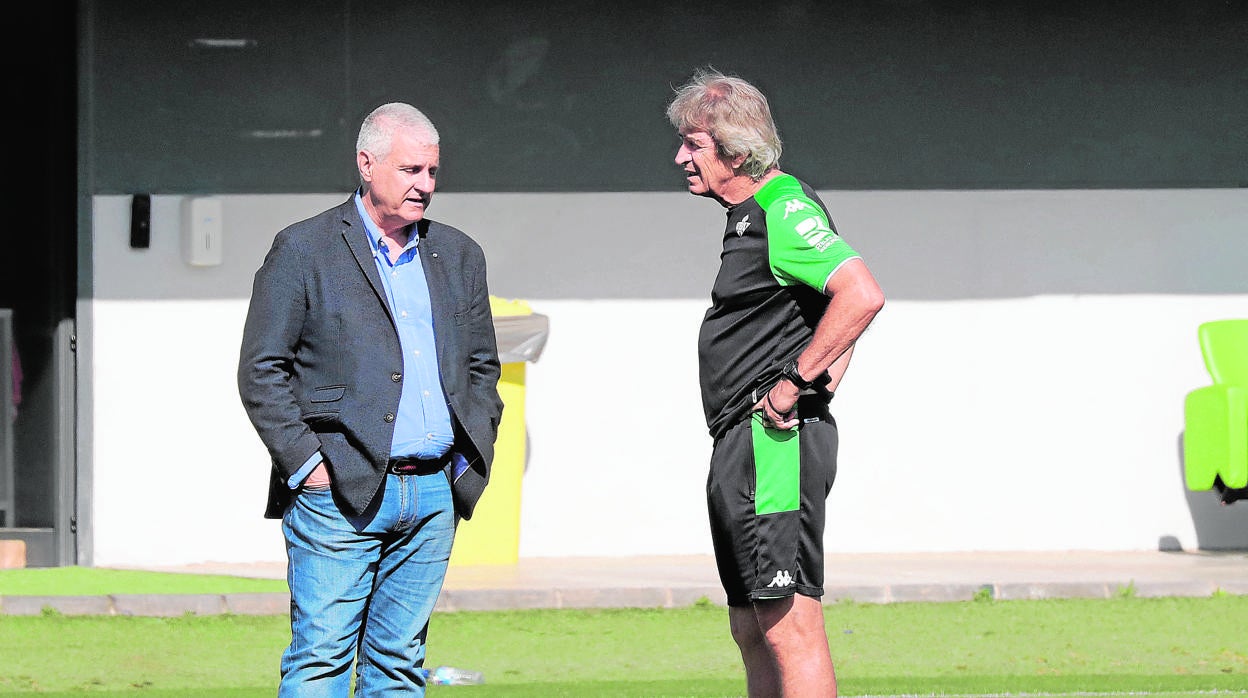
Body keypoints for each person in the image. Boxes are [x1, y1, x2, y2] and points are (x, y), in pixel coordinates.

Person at [238, 102, 504, 696]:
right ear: (366, 163)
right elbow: (262, 369)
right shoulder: (303, 249)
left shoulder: (459, 254)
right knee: (321, 658)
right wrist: (307, 464)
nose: (425, 186)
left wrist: (468, 458)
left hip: (433, 492)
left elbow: (482, 367)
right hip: (338, 494)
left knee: (400, 664)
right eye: (411, 170)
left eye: (432, 172)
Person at [667, 68, 885, 697]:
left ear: (735, 149)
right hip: (741, 441)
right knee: (750, 622)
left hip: (774, 444)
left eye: (695, 144)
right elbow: (831, 315)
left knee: (788, 623)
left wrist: (795, 383)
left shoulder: (781, 208)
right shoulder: (747, 218)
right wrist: (829, 365)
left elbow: (861, 295)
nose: (681, 156)